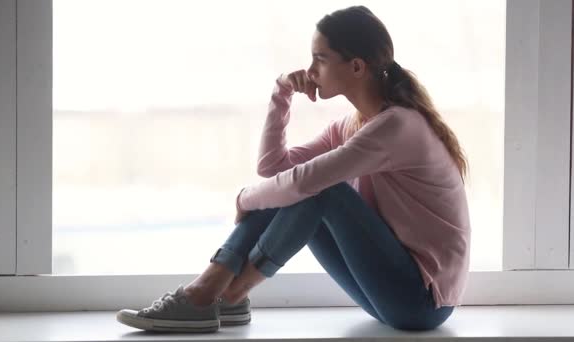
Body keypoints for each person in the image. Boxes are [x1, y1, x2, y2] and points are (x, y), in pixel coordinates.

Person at [116, 5, 470, 333]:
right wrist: (282, 92)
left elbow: (304, 181)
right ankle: (220, 296)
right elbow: (274, 168)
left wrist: (245, 199)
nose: (311, 70)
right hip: (390, 293)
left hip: (421, 303)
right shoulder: (354, 125)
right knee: (299, 189)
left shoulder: (398, 126)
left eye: (320, 58)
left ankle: (218, 293)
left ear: (357, 67)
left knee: (321, 189)